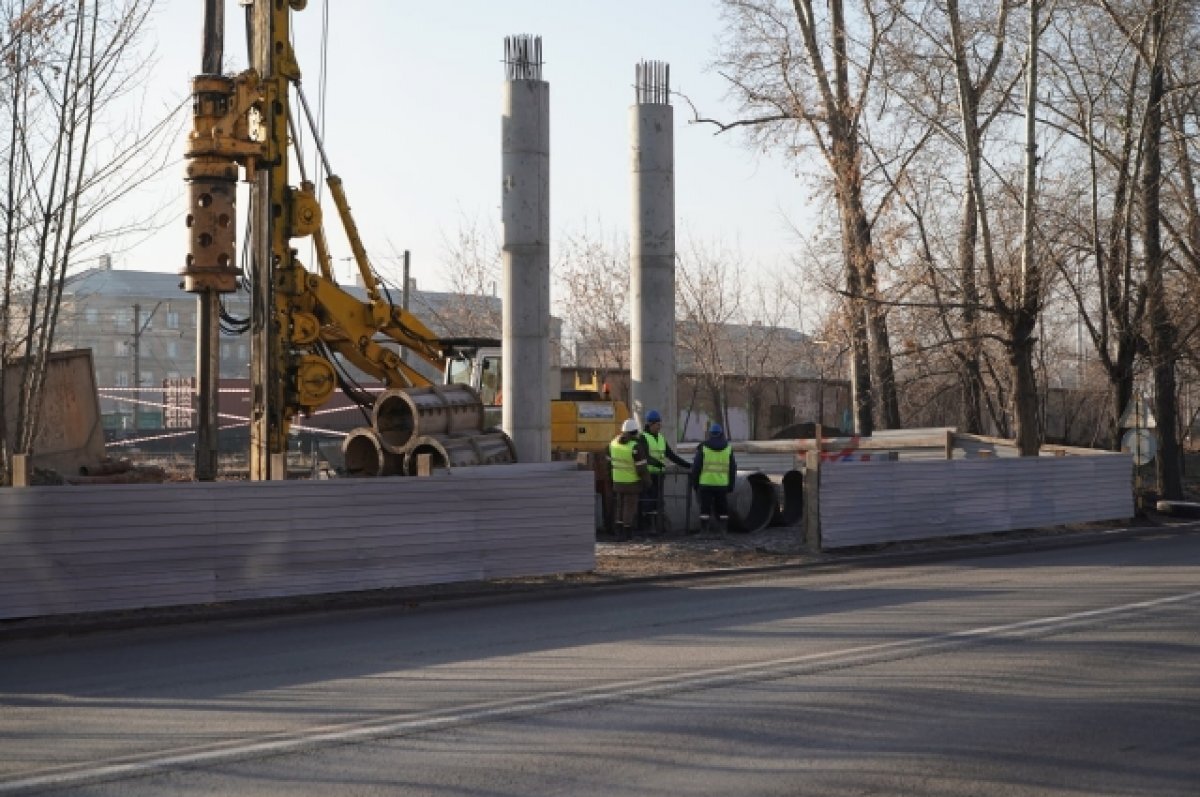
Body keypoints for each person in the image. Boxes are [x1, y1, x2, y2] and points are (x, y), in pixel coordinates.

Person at [638, 409, 690, 533]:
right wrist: (658, 463)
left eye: (660, 424)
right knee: (648, 501)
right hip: (648, 475)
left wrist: (687, 465)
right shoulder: (643, 438)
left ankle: (656, 526)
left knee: (658, 501)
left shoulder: (661, 438)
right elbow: (644, 456)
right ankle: (647, 526)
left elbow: (670, 455)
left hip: (660, 475)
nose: (659, 427)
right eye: (657, 424)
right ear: (650, 424)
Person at [608, 418, 651, 541]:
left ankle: (618, 531)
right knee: (629, 507)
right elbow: (641, 468)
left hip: (617, 481)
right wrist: (647, 482)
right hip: (631, 483)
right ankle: (627, 533)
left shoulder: (613, 443)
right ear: (634, 432)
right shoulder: (635, 446)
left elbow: (608, 462)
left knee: (619, 506)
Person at [690, 422, 736, 534]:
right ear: (721, 434)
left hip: (705, 484)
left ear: (710, 434)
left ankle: (704, 532)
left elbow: (696, 467)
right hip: (722, 484)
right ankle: (723, 531)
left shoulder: (703, 448)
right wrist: (731, 485)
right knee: (722, 508)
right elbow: (732, 469)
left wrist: (695, 484)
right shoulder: (728, 448)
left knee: (705, 508)